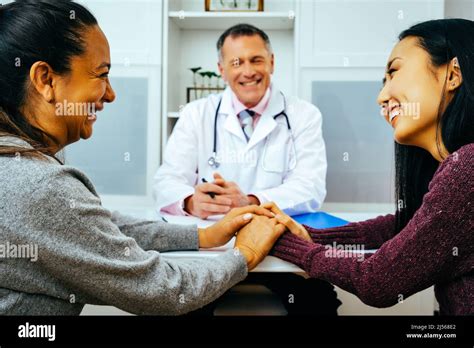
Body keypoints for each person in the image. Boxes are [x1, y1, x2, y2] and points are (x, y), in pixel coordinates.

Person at [0, 0, 285, 316]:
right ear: (46, 80)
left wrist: (204, 235)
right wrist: (245, 252)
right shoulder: (38, 186)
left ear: (271, 63)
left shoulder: (20, 168)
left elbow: (95, 225)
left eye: (256, 60)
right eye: (102, 74)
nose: (111, 94)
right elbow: (163, 290)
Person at [265, 19, 473, 316]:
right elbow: (406, 225)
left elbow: (379, 281)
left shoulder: (467, 168)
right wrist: (310, 236)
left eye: (394, 72)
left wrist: (282, 242)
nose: (381, 98)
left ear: (452, 75)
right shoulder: (458, 166)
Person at [153, 23, 327, 219]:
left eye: (256, 60)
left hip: (276, 236)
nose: (248, 71)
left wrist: (251, 202)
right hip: (210, 238)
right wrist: (191, 202)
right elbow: (167, 181)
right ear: (222, 70)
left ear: (271, 62)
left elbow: (310, 186)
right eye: (236, 63)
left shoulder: (303, 115)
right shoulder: (196, 114)